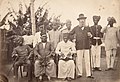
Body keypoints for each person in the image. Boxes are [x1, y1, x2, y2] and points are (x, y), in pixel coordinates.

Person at [70, 14, 93, 78]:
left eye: (83, 20)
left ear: (85, 20)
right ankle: (80, 73)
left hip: (86, 46)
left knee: (87, 61)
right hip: (78, 47)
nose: (82, 21)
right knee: (79, 61)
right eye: (81, 20)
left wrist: (90, 35)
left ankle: (89, 74)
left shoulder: (88, 28)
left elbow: (92, 36)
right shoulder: (76, 28)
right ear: (79, 21)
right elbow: (70, 34)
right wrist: (73, 38)